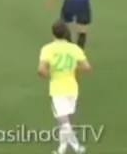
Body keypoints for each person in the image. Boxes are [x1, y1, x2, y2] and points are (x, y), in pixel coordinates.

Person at [38, 20, 91, 154]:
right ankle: (62, 149)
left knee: (63, 122)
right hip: (72, 88)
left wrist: (52, 72)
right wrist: (72, 69)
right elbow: (87, 67)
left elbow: (41, 70)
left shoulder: (47, 49)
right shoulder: (74, 48)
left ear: (53, 34)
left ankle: (77, 147)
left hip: (57, 89)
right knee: (65, 121)